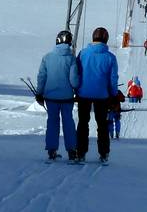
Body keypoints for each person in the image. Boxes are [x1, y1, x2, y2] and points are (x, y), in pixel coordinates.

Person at [34, 29, 80, 161]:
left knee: (52, 122)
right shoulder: (71, 58)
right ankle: (72, 151)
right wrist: (76, 90)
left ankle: (52, 150)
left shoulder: (47, 57)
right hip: (67, 98)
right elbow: (74, 80)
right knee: (68, 122)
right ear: (69, 43)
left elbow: (42, 77)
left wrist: (39, 93)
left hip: (51, 97)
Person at [75, 26, 119, 164]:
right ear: (106, 39)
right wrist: (113, 94)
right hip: (102, 95)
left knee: (83, 122)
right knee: (102, 124)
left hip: (83, 93)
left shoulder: (83, 54)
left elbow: (76, 73)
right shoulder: (110, 57)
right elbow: (113, 79)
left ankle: (80, 152)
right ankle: (104, 153)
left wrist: (76, 89)